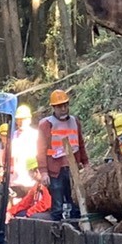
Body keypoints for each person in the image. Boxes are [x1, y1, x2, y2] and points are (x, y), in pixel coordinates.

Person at [37, 89, 88, 221]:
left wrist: (86, 163)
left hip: (73, 168)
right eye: (60, 106)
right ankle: (57, 231)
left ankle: (77, 227)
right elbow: (41, 150)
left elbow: (80, 144)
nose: (64, 109)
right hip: (55, 170)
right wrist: (43, 172)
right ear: (54, 107)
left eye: (66, 105)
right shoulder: (46, 125)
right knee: (58, 205)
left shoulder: (74, 122)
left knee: (76, 202)